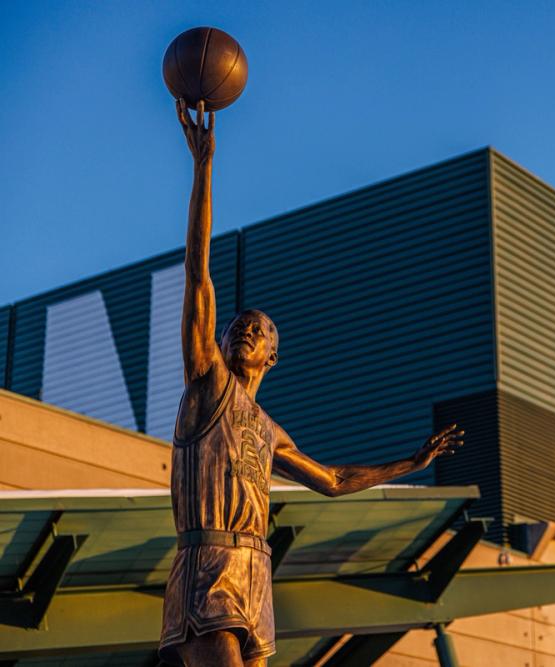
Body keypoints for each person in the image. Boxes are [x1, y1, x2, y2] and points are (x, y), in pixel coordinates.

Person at [159, 100, 464, 667]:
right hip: (208, 565)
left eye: (260, 330)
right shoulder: (207, 383)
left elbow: (334, 478)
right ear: (222, 343)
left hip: (256, 573)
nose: (247, 329)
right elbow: (197, 272)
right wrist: (203, 167)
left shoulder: (269, 431)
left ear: (272, 357)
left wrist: (411, 463)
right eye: (239, 326)